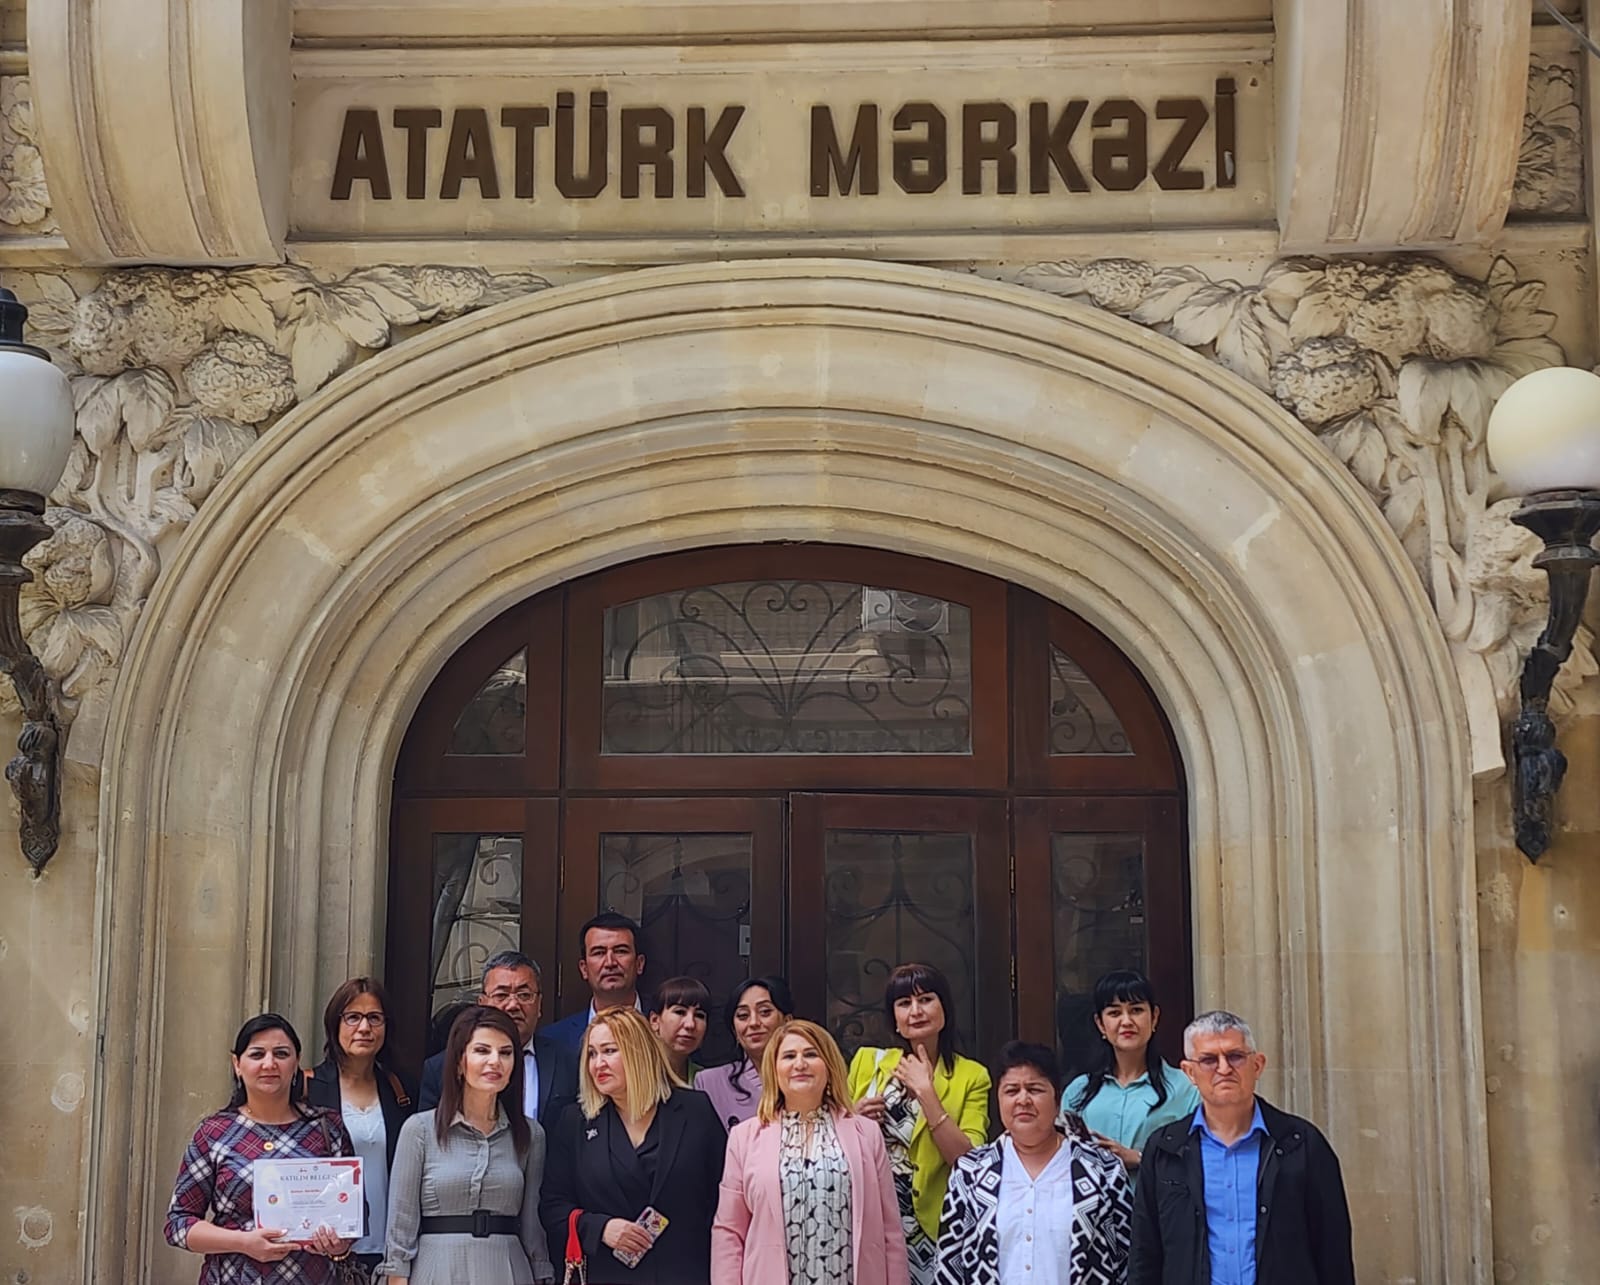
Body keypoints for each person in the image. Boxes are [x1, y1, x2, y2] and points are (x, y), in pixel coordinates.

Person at [1129, 1010, 1355, 1285]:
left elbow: (1333, 1252)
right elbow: (1145, 1252)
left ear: (1257, 1065)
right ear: (1189, 1072)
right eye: (1209, 1060)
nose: (1224, 1069)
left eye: (1235, 1056)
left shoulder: (1302, 1144)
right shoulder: (1165, 1149)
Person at [712, 1019, 907, 1285]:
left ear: (829, 1065)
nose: (800, 1064)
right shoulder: (744, 1138)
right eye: (789, 1056)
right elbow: (729, 1231)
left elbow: (890, 1229)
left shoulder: (866, 1133)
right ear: (774, 1069)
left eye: (811, 1054)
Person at [165, 1014, 357, 1284]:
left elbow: (354, 1213)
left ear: (296, 1062)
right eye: (257, 1054)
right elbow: (178, 1224)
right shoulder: (214, 1133)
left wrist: (339, 1245)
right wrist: (243, 1242)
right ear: (237, 1064)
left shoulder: (327, 1127)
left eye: (281, 1054)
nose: (269, 1064)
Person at [540, 1006, 726, 1282]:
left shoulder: (695, 1110)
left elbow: (727, 1200)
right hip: (609, 1273)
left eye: (609, 1051)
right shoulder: (575, 1122)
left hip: (685, 1272)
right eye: (592, 1054)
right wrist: (601, 1228)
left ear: (639, 1052)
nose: (598, 1064)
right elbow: (552, 1206)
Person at [380, 1005, 555, 1285]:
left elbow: (533, 1227)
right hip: (436, 1270)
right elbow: (401, 1223)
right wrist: (396, 1276)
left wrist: (542, 1272)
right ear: (459, 1062)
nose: (495, 1061)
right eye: (482, 1050)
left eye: (506, 1053)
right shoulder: (420, 1130)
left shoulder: (531, 1134)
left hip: (508, 1270)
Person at [936, 1041, 1131, 1285]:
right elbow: (949, 1266)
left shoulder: (1104, 1171)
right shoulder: (970, 1173)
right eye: (1011, 1091)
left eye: (1034, 1089)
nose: (1023, 1100)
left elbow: (1129, 1262)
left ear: (1057, 1099)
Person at [846, 962, 990, 1285]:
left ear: (944, 1008)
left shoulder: (972, 1076)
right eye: (904, 1003)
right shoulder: (867, 1063)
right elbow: (832, 1141)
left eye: (926, 999)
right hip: (872, 1217)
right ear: (894, 1019)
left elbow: (970, 1162)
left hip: (936, 1228)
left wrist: (927, 1094)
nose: (916, 1011)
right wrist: (853, 1118)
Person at [303, 977, 417, 1279]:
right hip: (323, 1248)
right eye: (353, 1017)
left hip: (389, 1247)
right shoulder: (308, 1087)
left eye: (374, 1018)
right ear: (335, 1024)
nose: (364, 1028)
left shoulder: (400, 1088)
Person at [1061, 968, 1199, 1177]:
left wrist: (1139, 1158)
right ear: (1100, 1024)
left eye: (1136, 1010)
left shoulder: (1185, 1088)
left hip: (1158, 1198)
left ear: (1154, 1017)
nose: (1126, 1021)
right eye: (1114, 1013)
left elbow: (1199, 1156)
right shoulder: (1078, 1091)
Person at [420, 951, 578, 1130]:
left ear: (539, 1004)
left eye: (524, 995)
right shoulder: (441, 1067)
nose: (513, 1005)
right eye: (501, 995)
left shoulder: (569, 1062)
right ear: (482, 1003)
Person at [545, 913, 649, 1054]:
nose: (610, 963)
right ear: (584, 969)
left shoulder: (666, 1027)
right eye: (599, 953)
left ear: (639, 964)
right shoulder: (555, 1040)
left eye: (620, 951)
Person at [699, 975, 794, 1130]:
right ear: (734, 1030)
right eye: (743, 1015)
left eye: (765, 1012)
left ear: (787, 1021)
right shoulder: (709, 1082)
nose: (754, 1023)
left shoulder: (804, 1074)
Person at [647, 975, 712, 1084]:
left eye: (699, 1015)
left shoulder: (706, 1080)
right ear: (654, 1020)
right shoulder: (632, 1073)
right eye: (680, 1012)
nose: (690, 1024)